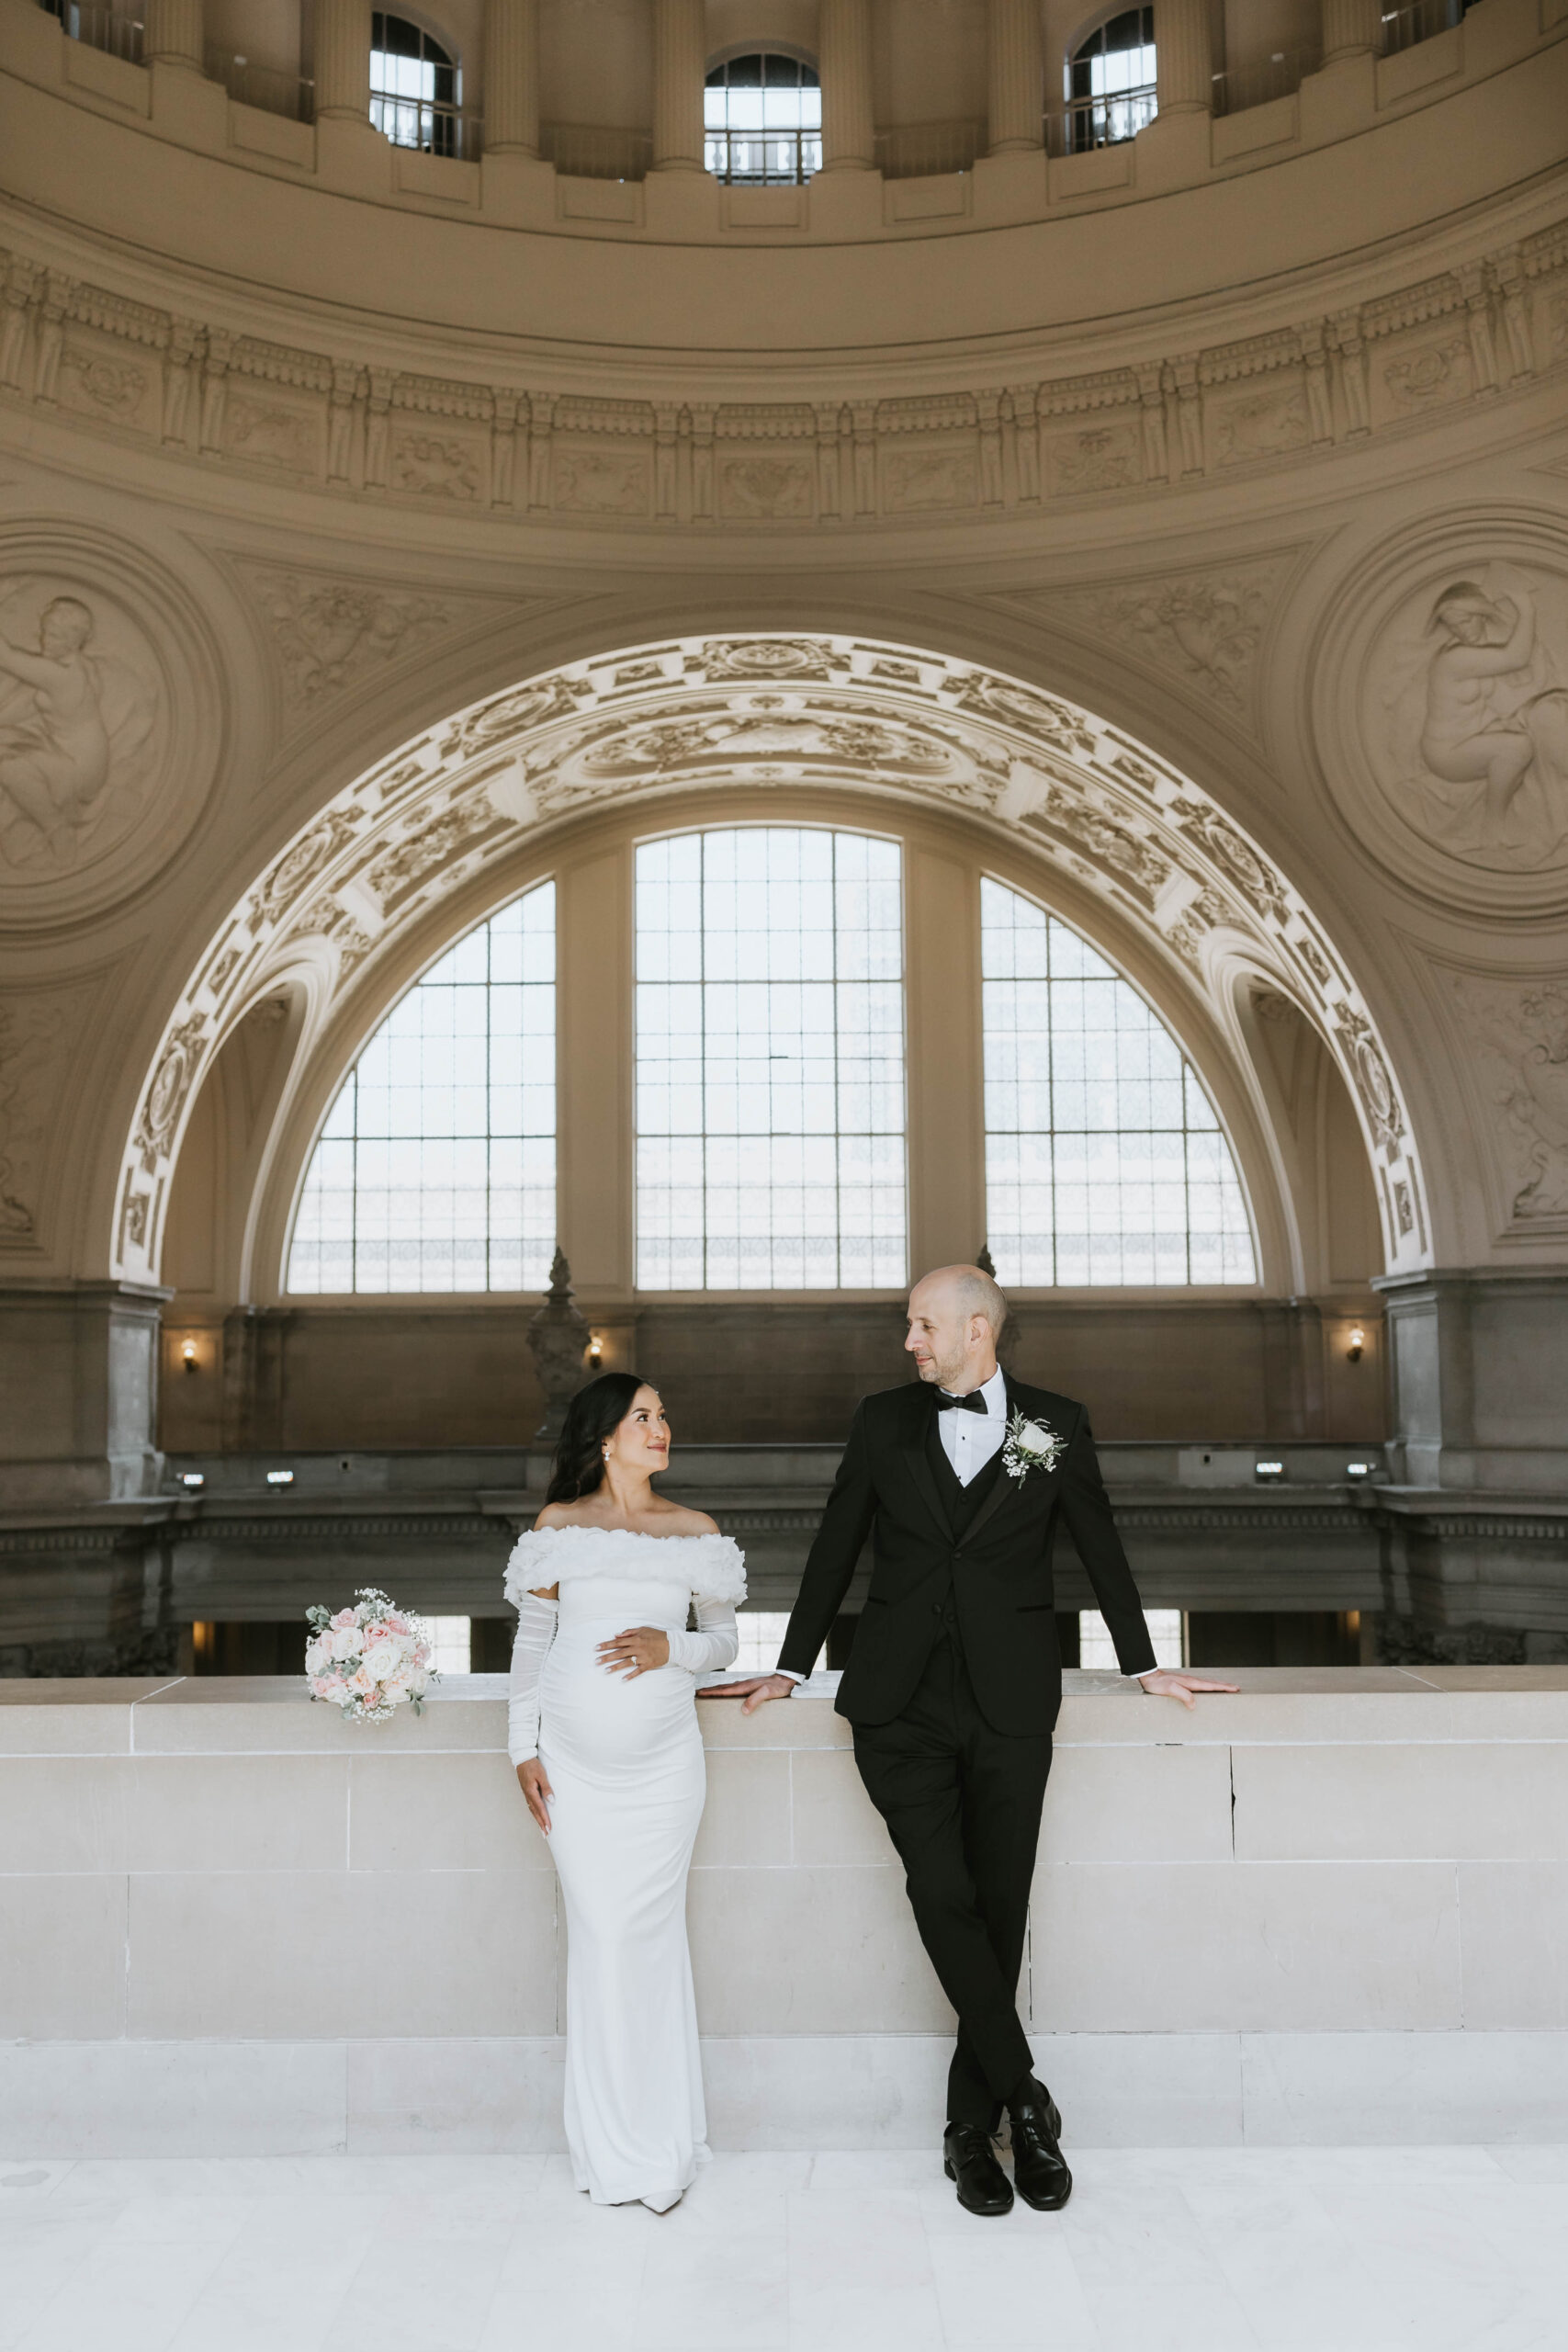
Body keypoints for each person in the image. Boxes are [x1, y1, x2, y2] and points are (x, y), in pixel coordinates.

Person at [722, 1264, 1236, 2218]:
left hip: (1009, 1700)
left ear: (976, 1330)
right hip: (898, 1703)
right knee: (943, 1891)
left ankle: (971, 2127)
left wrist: (1141, 1662)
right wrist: (789, 1663)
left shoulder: (1052, 1423)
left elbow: (1098, 1539)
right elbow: (838, 1539)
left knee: (999, 1907)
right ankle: (1028, 2101)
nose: (908, 1341)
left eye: (922, 1324)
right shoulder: (883, 1420)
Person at [505, 1371, 746, 2212]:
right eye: (644, 1416)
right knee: (602, 1939)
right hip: (573, 1773)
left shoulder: (695, 1534)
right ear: (604, 1437)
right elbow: (532, 1647)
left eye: (664, 1414)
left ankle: (661, 2140)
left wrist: (668, 1649)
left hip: (663, 1776)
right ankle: (611, 2145)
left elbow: (721, 1643)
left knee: (647, 1939)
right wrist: (519, 1750)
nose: (662, 1427)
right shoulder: (557, 1528)